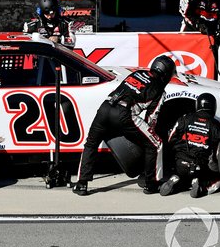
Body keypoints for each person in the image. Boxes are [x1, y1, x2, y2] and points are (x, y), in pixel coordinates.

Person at [72, 55, 177, 196]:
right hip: (125, 113)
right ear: (166, 74)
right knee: (156, 144)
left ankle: (81, 184)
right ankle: (151, 184)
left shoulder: (138, 73)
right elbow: (152, 119)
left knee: (91, 143)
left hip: (105, 107)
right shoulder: (159, 89)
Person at [160, 93, 220, 198]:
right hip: (200, 166)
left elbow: (170, 139)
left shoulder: (184, 118)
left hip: (180, 164)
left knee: (182, 173)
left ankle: (177, 179)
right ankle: (202, 185)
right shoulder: (217, 126)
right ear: (213, 107)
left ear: (197, 105)